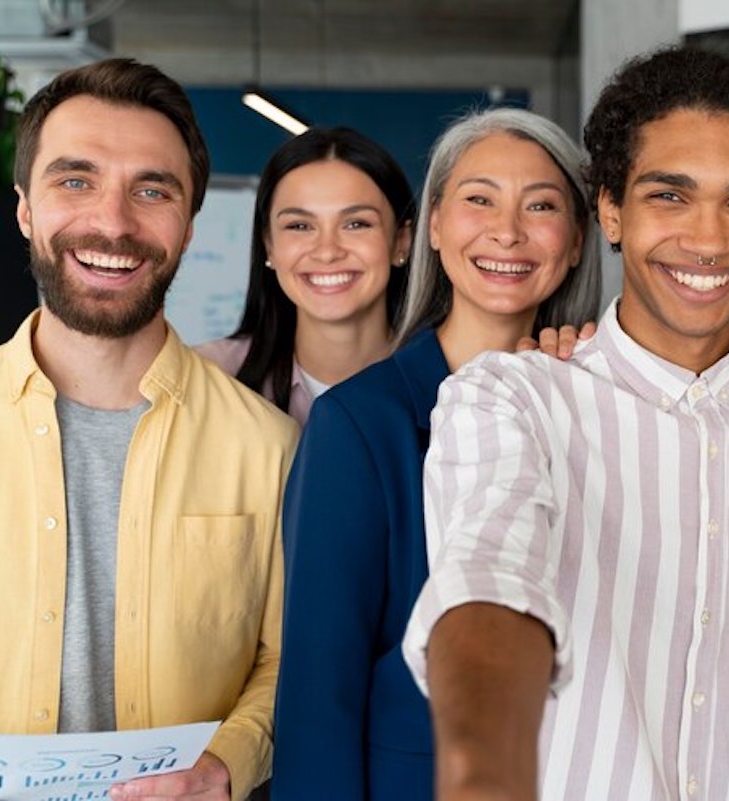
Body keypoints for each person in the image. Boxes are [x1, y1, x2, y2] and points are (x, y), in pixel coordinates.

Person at [402, 46, 729, 800]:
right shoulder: (508, 397)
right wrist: (484, 775)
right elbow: (487, 576)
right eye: (670, 196)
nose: (711, 239)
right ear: (611, 210)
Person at [271, 107, 601, 800]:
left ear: (575, 242)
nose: (507, 231)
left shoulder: (601, 408)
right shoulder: (357, 424)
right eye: (479, 199)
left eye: (541, 205)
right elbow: (318, 696)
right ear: (437, 227)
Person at [0, 59, 298, 801]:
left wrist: (226, 762)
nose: (114, 222)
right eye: (75, 180)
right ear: (25, 208)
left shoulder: (271, 447)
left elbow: (287, 661)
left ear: (189, 223)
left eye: (152, 189)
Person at [197, 127, 415, 426]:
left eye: (356, 224)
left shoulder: (448, 385)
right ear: (268, 246)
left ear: (401, 241)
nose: (327, 252)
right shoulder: (209, 381)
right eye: (299, 226)